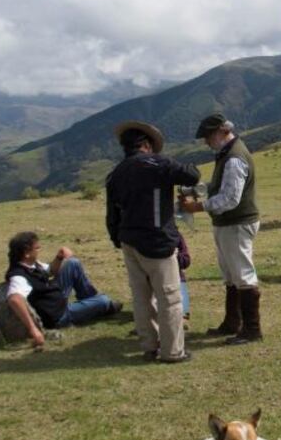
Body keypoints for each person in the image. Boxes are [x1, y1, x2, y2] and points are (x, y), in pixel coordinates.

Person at [106, 119, 200, 363]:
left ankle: (149, 346)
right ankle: (172, 351)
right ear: (146, 144)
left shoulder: (116, 173)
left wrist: (117, 238)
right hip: (157, 241)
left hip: (129, 241)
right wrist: (168, 162)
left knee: (141, 296)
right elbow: (192, 175)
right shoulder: (158, 164)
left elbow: (112, 213)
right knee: (170, 297)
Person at [180, 113, 262, 345]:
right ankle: (232, 323)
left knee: (243, 275)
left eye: (208, 136)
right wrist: (193, 191)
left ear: (222, 132)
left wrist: (196, 206)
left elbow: (229, 199)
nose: (206, 141)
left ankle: (252, 329)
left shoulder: (234, 158)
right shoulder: (227, 154)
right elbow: (220, 186)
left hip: (236, 222)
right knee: (231, 275)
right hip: (229, 223)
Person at [5, 233, 122, 347]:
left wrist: (59, 257)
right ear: (26, 253)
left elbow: (50, 271)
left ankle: (89, 301)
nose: (39, 250)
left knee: (73, 263)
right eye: (37, 248)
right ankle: (101, 307)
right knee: (104, 300)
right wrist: (33, 329)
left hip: (56, 297)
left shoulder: (32, 264)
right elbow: (15, 299)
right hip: (59, 315)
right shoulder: (19, 276)